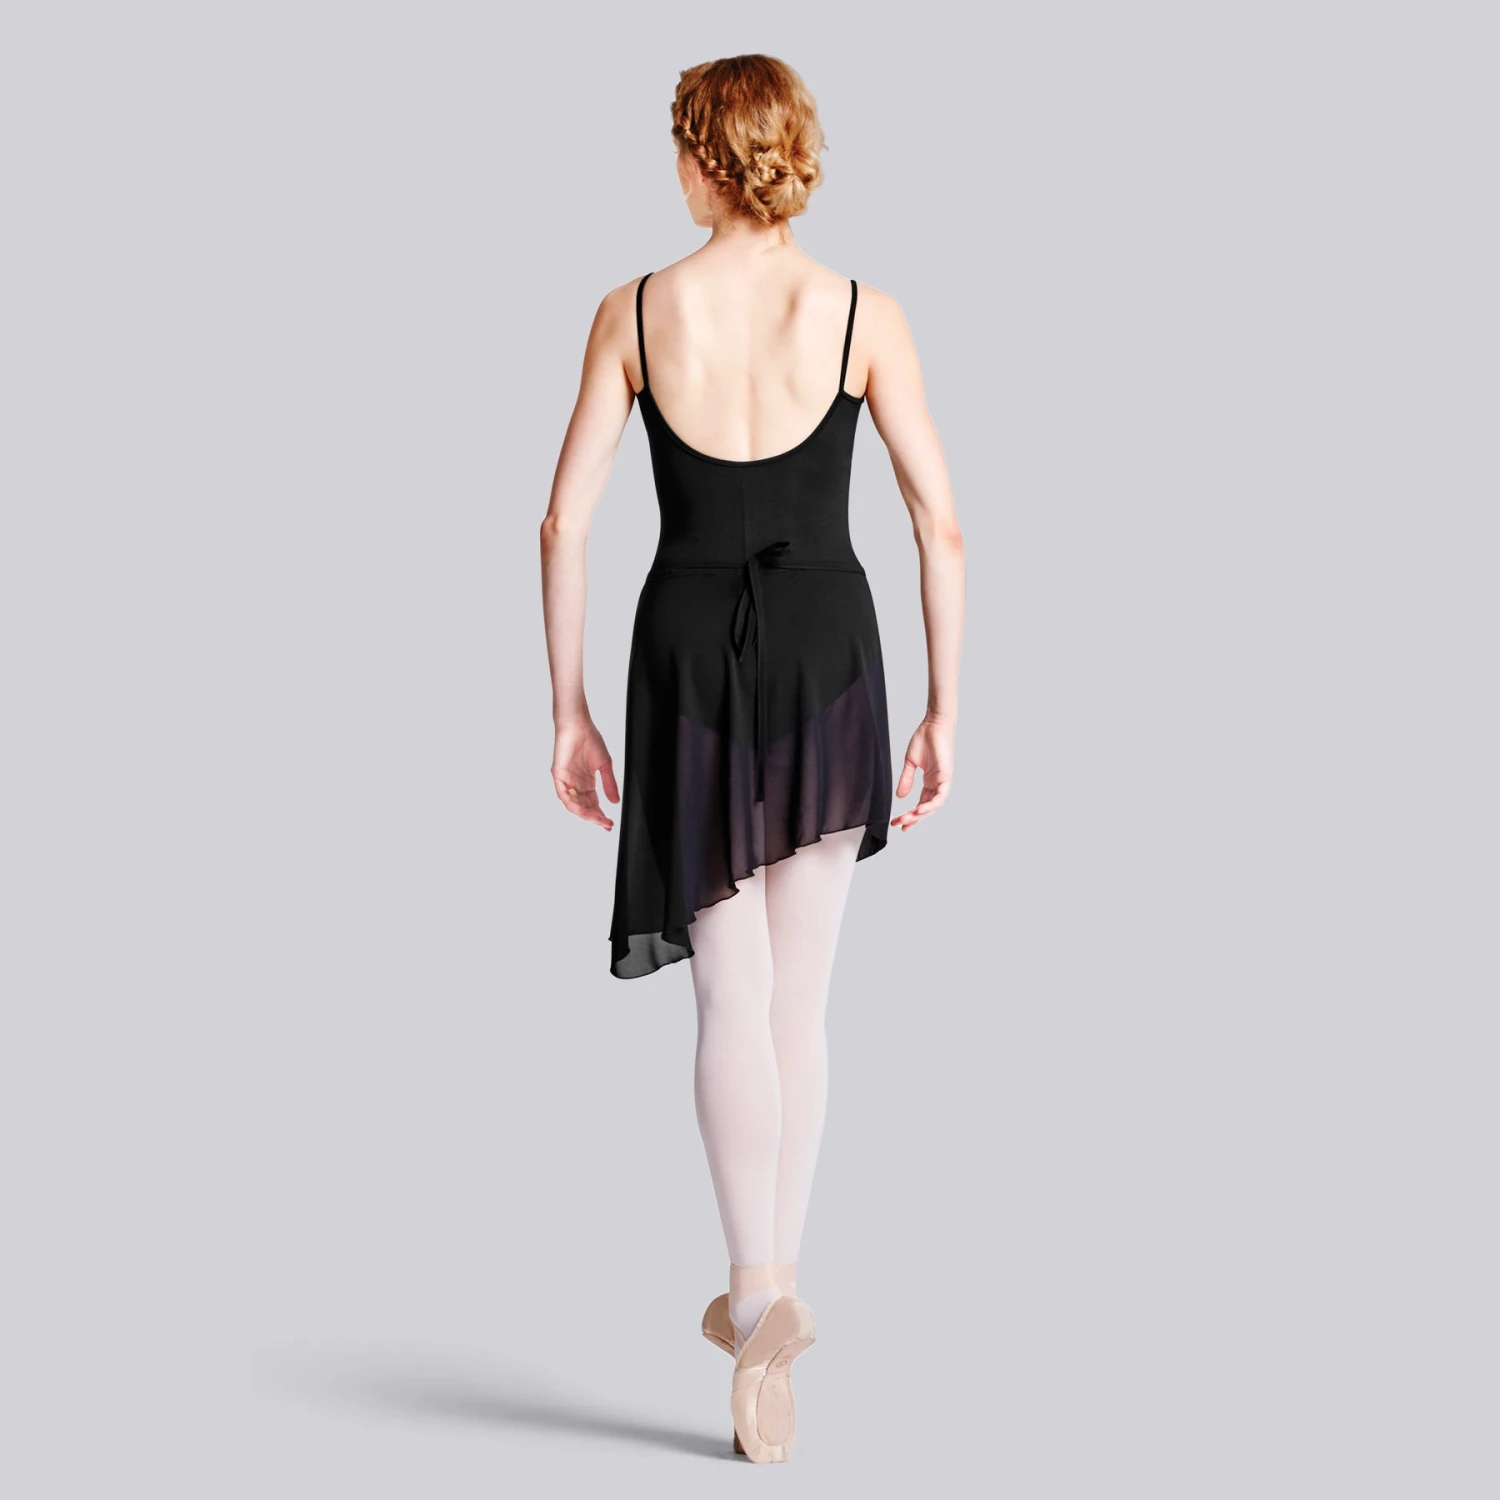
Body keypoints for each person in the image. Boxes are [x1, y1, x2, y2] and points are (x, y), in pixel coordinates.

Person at [539, 54, 964, 1461]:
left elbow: (563, 522)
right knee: (801, 1001)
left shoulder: (632, 311)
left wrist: (567, 710)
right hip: (830, 650)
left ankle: (754, 1302)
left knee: (727, 991)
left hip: (684, 652)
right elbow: (940, 522)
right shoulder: (862, 314)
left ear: (700, 159)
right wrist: (945, 707)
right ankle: (776, 1306)